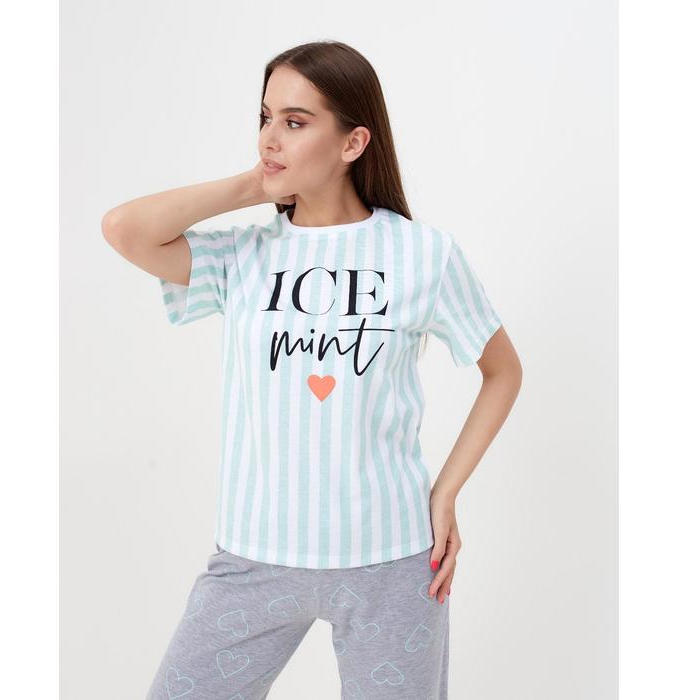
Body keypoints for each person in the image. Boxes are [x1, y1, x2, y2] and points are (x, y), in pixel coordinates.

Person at [103, 40, 522, 700]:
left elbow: (503, 372)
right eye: (265, 118)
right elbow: (124, 228)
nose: (271, 137)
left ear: (354, 142)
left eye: (295, 122)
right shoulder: (243, 255)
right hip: (255, 556)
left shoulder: (422, 255)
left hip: (391, 558)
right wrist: (256, 184)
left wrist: (445, 493)